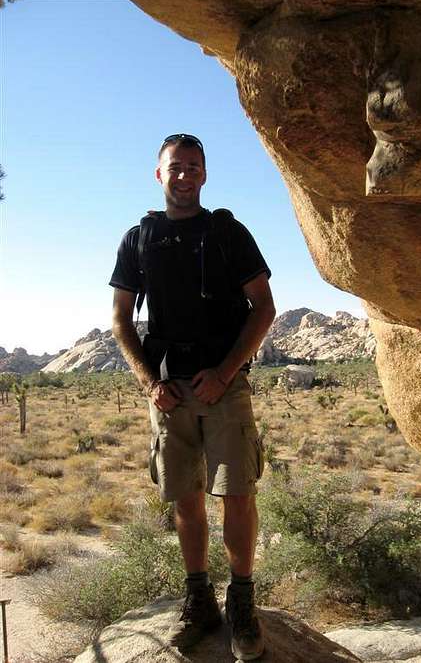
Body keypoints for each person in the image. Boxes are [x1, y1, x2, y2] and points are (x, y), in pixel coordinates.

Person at [109, 133, 275, 660]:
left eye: (194, 167)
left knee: (237, 492)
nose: (184, 175)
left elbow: (264, 308)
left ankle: (242, 602)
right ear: (158, 174)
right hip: (169, 391)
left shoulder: (229, 233)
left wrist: (225, 372)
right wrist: (150, 382)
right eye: (175, 167)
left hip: (223, 385)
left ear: (205, 175)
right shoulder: (139, 238)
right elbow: (120, 320)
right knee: (185, 497)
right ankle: (199, 598)